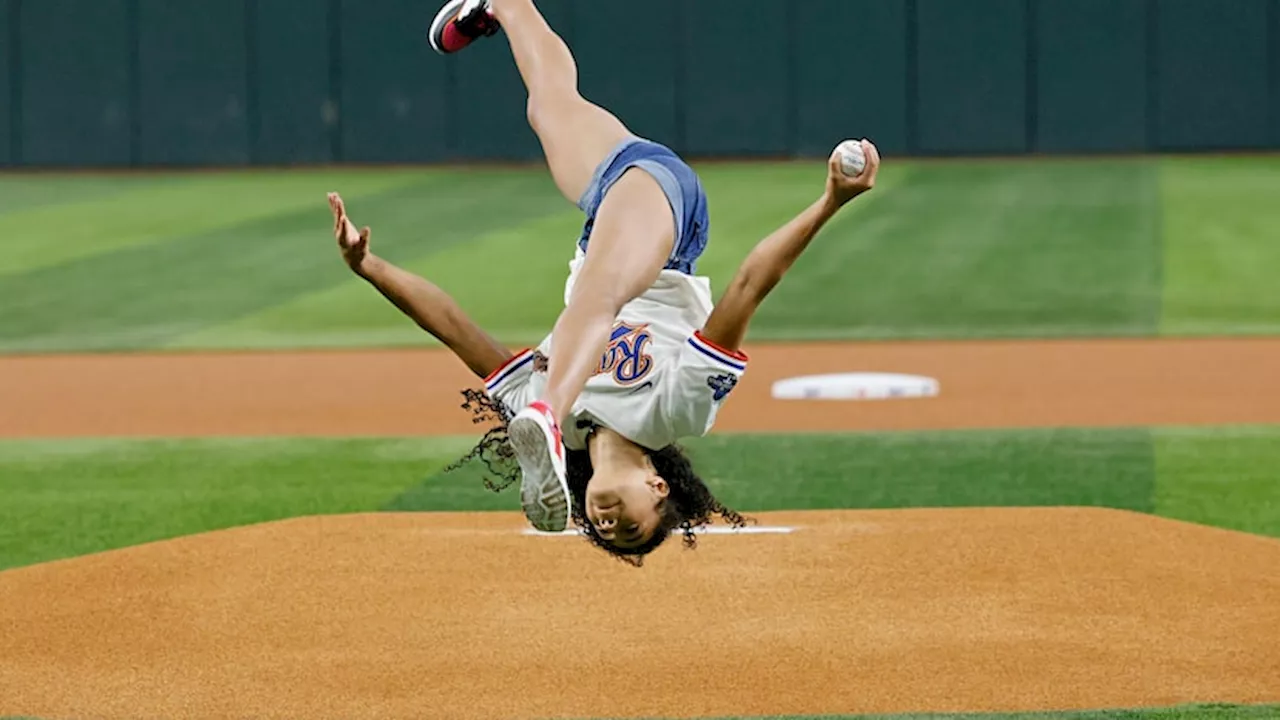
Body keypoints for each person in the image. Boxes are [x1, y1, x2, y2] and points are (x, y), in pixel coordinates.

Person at [324, 0, 881, 565]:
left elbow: (456, 330)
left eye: (605, 534)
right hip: (667, 222)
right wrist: (829, 202)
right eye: (635, 530)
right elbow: (748, 288)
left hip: (608, 211)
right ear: (658, 488)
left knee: (549, 107)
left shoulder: (557, 418)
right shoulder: (675, 412)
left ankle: (503, 7)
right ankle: (542, 418)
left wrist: (370, 269)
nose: (613, 526)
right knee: (597, 295)